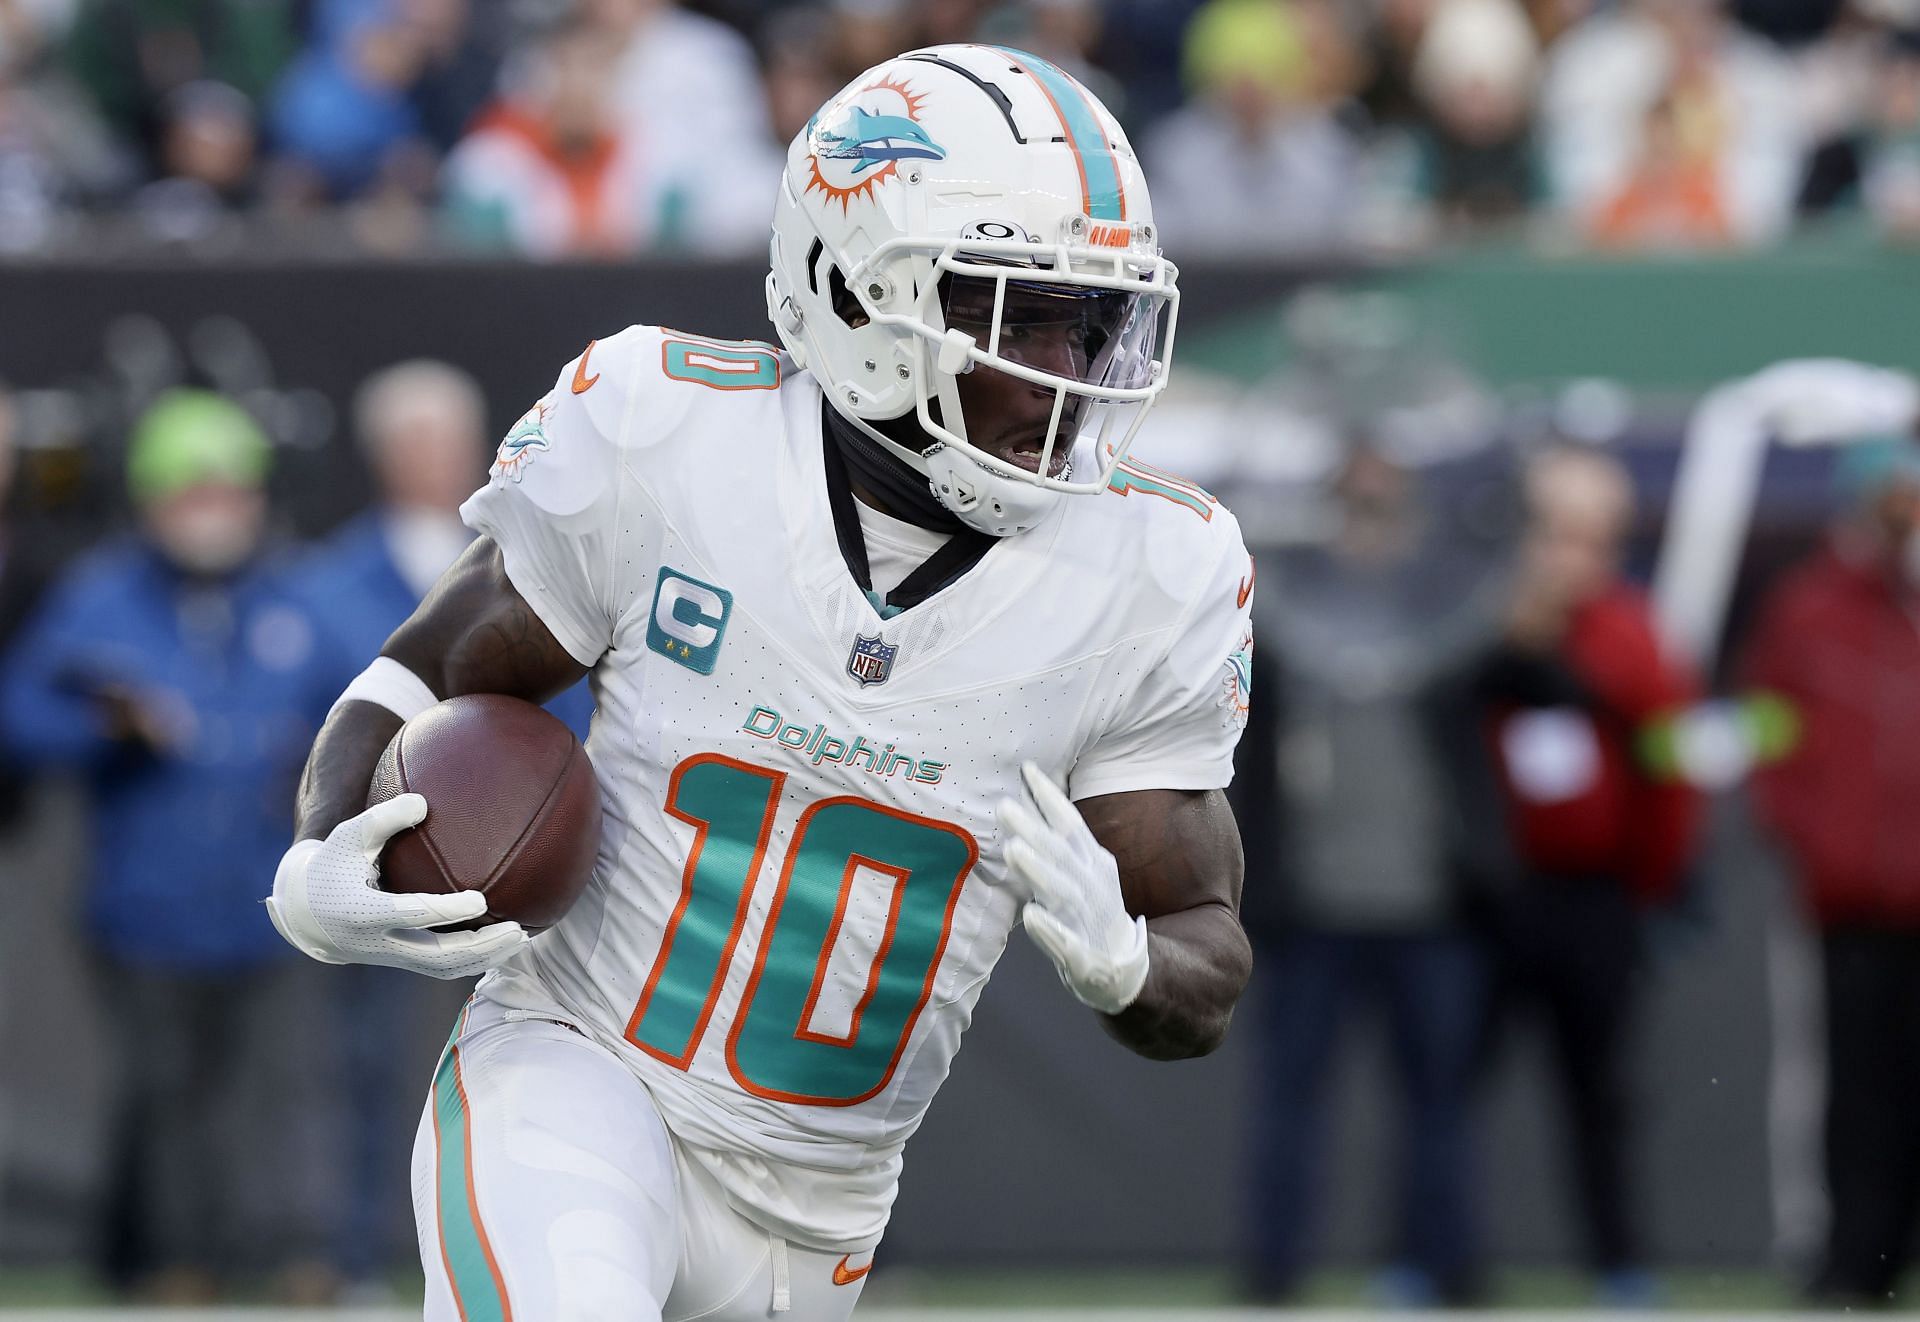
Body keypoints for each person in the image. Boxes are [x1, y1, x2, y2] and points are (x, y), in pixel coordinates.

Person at [268, 45, 1254, 1321]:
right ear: (860, 295)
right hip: (581, 1075)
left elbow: (1204, 946)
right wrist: (313, 859)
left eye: (1094, 319)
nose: (1066, 370)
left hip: (825, 1204)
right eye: (1018, 312)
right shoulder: (668, 436)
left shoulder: (1155, 569)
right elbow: (428, 667)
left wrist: (1129, 966)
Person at [0, 389, 341, 1302]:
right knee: (165, 1091)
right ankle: (175, 1259)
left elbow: (376, 710)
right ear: (151, 503)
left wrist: (329, 758)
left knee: (280, 1086)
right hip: (145, 898)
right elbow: (22, 716)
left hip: (279, 897)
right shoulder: (99, 597)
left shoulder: (300, 597)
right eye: (192, 497)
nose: (213, 515)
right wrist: (111, 727)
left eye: (229, 494)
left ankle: (287, 1251)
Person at [295, 358, 590, 1292]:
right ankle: (356, 1258)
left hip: (551, 855)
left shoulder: (561, 552)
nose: (436, 458)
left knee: (563, 1068)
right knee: (370, 1071)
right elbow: (344, 700)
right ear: (382, 457)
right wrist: (319, 850)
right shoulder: (329, 578)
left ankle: (565, 1257)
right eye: (415, 442)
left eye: (447, 437)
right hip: (394, 855)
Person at [1233, 445, 1500, 1308]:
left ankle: (1445, 1269)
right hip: (1312, 908)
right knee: (1291, 1102)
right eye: (1354, 509)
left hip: (1431, 906)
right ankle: (1273, 1273)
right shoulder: (1283, 626)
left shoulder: (1448, 623)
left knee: (1440, 1104)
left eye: (1386, 511)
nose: (1369, 529)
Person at [1441, 444, 1702, 1305]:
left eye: (1588, 539)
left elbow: (1668, 767)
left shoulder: (1631, 634)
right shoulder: (1472, 624)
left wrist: (1655, 884)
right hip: (1488, 900)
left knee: (1604, 1097)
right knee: (1449, 1087)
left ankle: (1620, 1266)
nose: (1568, 558)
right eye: (1552, 535)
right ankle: (1437, 1261)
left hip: (1596, 900)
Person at [1743, 434, 1920, 1308]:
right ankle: (1853, 1256)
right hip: (1849, 893)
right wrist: (1807, 831)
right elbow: (1772, 729)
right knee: (1851, 1088)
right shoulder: (1810, 606)